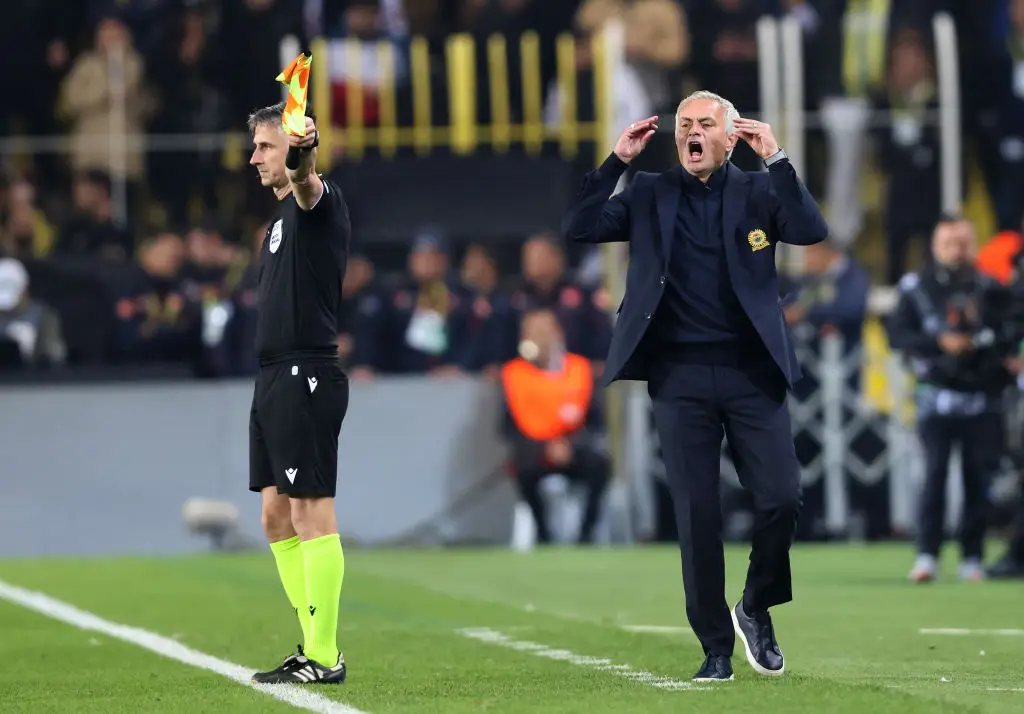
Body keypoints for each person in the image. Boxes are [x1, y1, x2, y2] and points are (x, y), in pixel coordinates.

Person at [564, 91, 828, 681]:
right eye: (685, 124)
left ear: (730, 137)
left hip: (751, 371)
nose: (693, 133)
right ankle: (715, 647)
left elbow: (811, 230)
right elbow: (578, 225)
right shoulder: (650, 192)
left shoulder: (760, 190)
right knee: (697, 514)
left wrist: (778, 158)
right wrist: (617, 163)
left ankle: (755, 604)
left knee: (782, 497)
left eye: (706, 124)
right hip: (679, 376)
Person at [246, 102, 351, 685]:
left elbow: (308, 180)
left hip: (305, 373)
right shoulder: (279, 223)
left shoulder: (316, 205)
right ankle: (311, 643)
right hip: (272, 378)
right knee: (274, 517)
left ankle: (325, 653)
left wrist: (305, 152)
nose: (254, 157)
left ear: (290, 149)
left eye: (265, 146)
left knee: (311, 510)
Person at [887, 216, 1012, 583]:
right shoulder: (916, 288)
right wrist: (939, 344)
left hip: (981, 396)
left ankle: (972, 556)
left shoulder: (991, 287)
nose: (956, 249)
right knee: (934, 476)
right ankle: (927, 554)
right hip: (935, 397)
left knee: (979, 478)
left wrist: (981, 345)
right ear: (935, 245)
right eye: (949, 242)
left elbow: (1008, 332)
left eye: (962, 241)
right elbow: (899, 335)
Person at [500, 308, 610, 544]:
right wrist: (543, 447)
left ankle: (585, 535)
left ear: (558, 333)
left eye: (545, 330)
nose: (541, 337)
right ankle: (543, 533)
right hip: (535, 453)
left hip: (574, 449)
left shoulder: (579, 369)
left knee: (600, 466)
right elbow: (507, 427)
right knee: (522, 470)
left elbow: (596, 422)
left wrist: (569, 444)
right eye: (533, 332)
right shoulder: (514, 374)